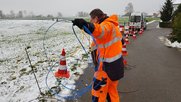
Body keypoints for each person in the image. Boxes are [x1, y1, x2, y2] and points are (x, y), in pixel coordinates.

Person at [72, 8, 124, 102]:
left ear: (96, 18)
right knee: (111, 92)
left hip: (105, 69)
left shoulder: (106, 25)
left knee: (98, 94)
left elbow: (100, 31)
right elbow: (118, 40)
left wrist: (86, 25)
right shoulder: (112, 25)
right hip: (115, 67)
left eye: (91, 19)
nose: (91, 21)